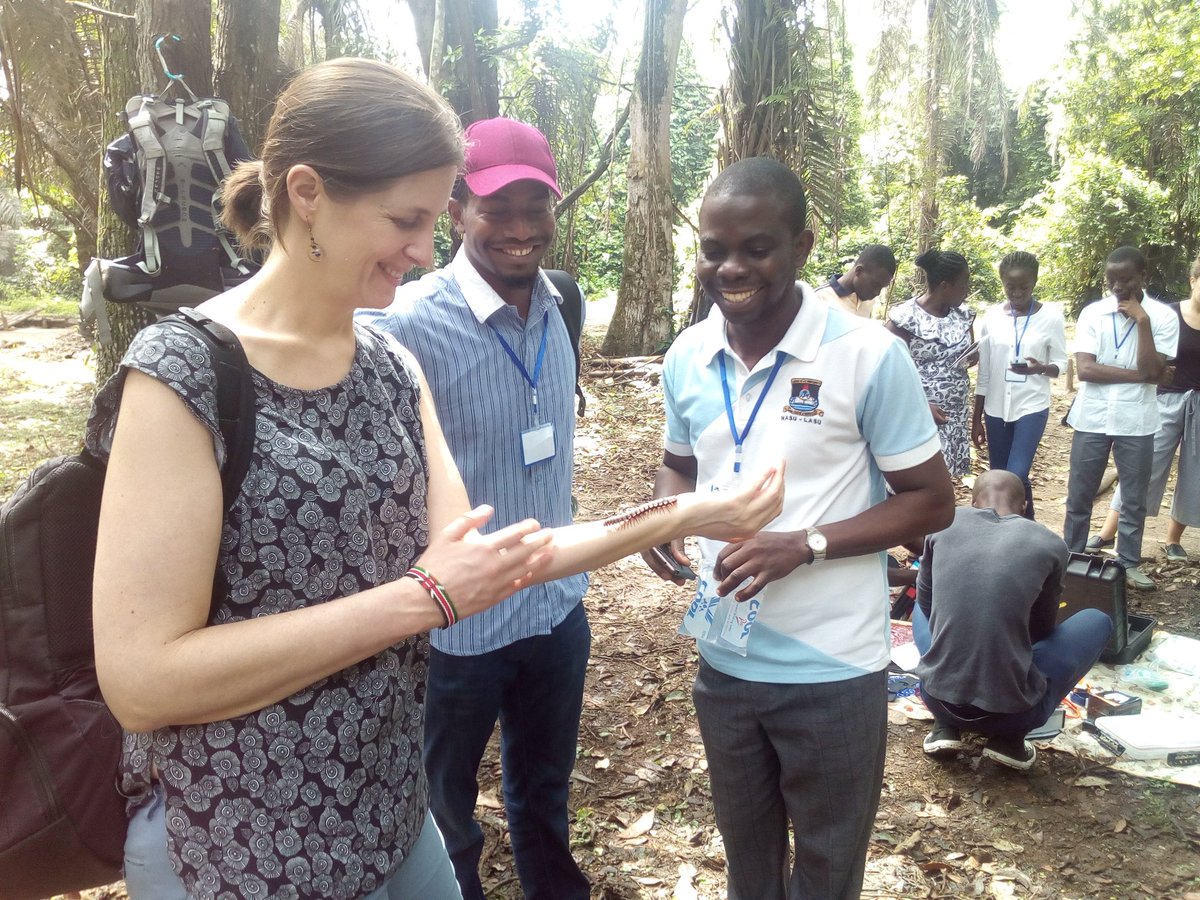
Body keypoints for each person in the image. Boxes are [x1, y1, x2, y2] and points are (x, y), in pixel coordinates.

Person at [86, 59, 784, 900]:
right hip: (235, 842)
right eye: (406, 219)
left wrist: (689, 510)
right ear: (306, 192)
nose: (424, 251)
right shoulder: (182, 374)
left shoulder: (386, 362)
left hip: (390, 820)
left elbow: (485, 561)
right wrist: (420, 599)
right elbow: (140, 682)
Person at [643, 157, 954, 900]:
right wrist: (665, 511)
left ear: (804, 245)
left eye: (757, 247)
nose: (731, 268)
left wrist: (806, 543)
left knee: (825, 867)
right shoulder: (689, 353)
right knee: (748, 861)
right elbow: (676, 463)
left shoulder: (867, 355)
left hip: (832, 670)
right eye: (714, 249)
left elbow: (931, 502)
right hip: (724, 660)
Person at [358, 117, 589, 900]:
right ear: (458, 211)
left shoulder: (562, 302)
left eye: (536, 207)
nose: (521, 229)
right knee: (443, 808)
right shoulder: (403, 325)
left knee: (544, 791)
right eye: (498, 209)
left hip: (556, 608)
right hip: (457, 631)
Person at [913, 471, 1113, 770]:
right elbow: (1041, 629)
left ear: (973, 501)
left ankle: (945, 725)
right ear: (1024, 506)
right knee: (1097, 620)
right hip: (1011, 713)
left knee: (921, 607)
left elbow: (928, 606)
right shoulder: (1049, 543)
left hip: (936, 696)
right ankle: (1010, 741)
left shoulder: (944, 525)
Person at [1063, 246, 1179, 591]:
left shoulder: (1161, 317)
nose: (1117, 286)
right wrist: (1147, 377)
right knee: (1080, 493)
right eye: (1111, 279)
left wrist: (1142, 321)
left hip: (1137, 420)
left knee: (1134, 497)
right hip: (1092, 417)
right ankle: (1072, 558)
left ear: (1142, 277)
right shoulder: (1093, 313)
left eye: (1125, 278)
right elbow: (1086, 370)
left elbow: (1149, 366)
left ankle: (1127, 563)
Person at [1088, 252, 1200, 563]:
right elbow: (1152, 360)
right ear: (1193, 280)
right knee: (1142, 470)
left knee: (1196, 474)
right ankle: (1108, 532)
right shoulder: (1169, 313)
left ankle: (1173, 539)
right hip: (1164, 398)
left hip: (1199, 404)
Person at [971, 251, 1068, 518]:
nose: (1016, 293)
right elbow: (985, 370)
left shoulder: (1051, 317)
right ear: (1002, 282)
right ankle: (1027, 526)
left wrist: (1041, 368)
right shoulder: (991, 317)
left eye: (1023, 287)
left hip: (1031, 406)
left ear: (1035, 282)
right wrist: (977, 418)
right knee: (1000, 477)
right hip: (995, 408)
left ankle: (1012, 533)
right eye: (1009, 287)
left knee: (1016, 474)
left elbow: (1062, 362)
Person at [886, 249, 975, 478]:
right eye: (963, 285)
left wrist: (971, 357)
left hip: (954, 414)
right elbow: (886, 373)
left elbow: (966, 354)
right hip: (917, 415)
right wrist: (921, 406)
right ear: (945, 285)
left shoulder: (963, 316)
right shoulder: (904, 319)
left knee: (944, 481)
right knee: (918, 481)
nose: (967, 291)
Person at [812, 243, 897, 318]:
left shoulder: (868, 302)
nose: (877, 293)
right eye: (875, 285)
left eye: (882, 287)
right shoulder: (819, 298)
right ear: (858, 271)